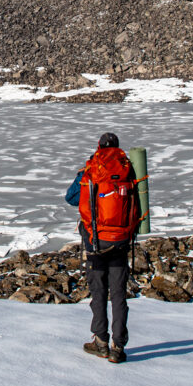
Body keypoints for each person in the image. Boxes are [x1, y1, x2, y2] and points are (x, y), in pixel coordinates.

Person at [65, 132, 140, 364]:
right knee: (118, 294)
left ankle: (101, 341)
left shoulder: (91, 170)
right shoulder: (128, 170)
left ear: (98, 147)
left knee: (98, 292)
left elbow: (70, 198)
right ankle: (118, 346)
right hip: (120, 241)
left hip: (96, 242)